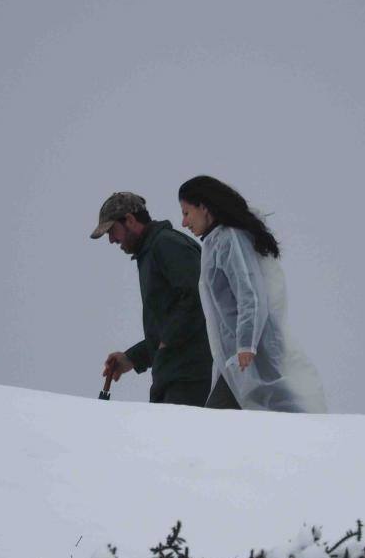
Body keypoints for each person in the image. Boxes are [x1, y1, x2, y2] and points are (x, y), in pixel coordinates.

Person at [178, 176, 327, 413]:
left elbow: (250, 293)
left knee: (278, 410)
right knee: (265, 413)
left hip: (249, 354)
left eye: (186, 213)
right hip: (235, 358)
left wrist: (246, 344)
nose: (184, 222)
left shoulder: (229, 238)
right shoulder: (215, 242)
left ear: (203, 207)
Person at [91, 191, 212, 406]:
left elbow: (198, 298)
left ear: (129, 220)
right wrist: (131, 358)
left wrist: (166, 343)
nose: (111, 240)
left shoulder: (166, 244)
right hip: (173, 379)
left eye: (112, 230)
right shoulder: (151, 251)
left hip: (189, 379)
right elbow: (168, 327)